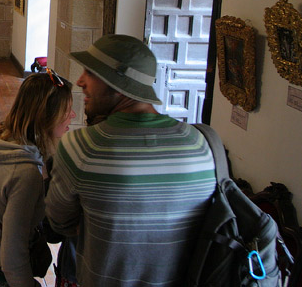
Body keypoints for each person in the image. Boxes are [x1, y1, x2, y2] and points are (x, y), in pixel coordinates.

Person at [45, 34, 216, 286]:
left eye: (90, 73)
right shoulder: (199, 143)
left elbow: (59, 222)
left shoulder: (82, 148)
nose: (80, 81)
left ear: (116, 82)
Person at [0, 70, 75, 287]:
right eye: (67, 110)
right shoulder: (26, 173)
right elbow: (13, 256)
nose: (73, 115)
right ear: (47, 116)